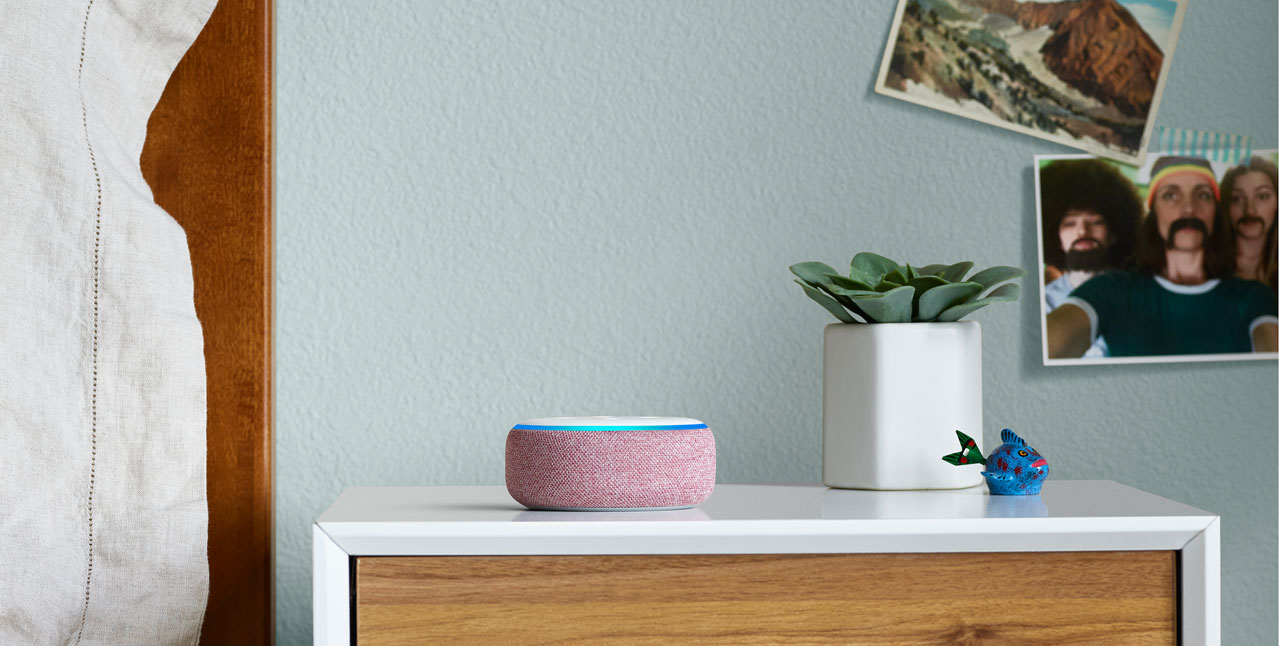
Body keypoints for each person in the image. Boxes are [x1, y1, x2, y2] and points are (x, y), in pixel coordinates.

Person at [1046, 155, 1279, 358]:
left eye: (1203, 195)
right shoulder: (1109, 290)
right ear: (1154, 212)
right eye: (1170, 195)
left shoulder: (1254, 298)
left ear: (1215, 213)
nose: (1189, 208)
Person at [1038, 159, 1141, 357]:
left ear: (1114, 234)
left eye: (1095, 222)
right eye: (1070, 223)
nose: (1083, 231)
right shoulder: (1042, 304)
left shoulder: (1141, 294)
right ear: (1056, 239)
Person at [1220, 156, 1277, 291]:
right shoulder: (1208, 267)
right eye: (1237, 199)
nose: (1250, 210)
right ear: (1226, 205)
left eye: (1262, 196)